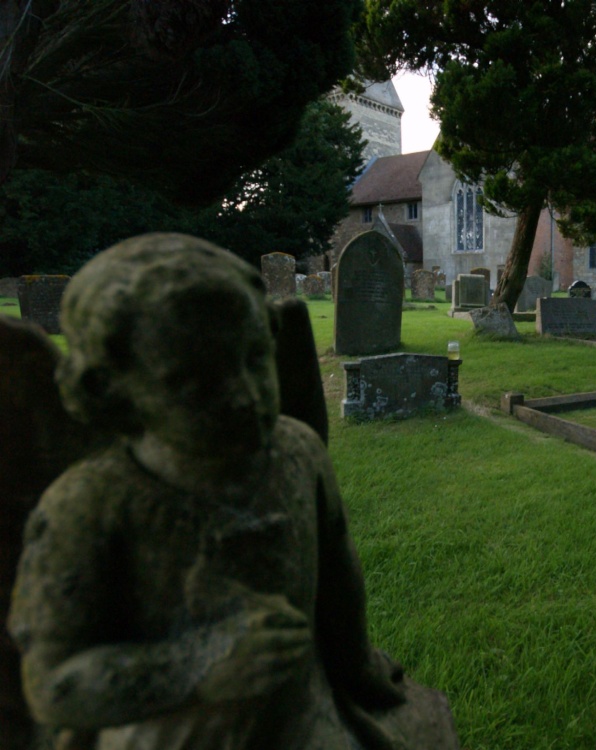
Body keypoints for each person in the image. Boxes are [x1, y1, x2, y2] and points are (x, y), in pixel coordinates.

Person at [8, 234, 408, 750]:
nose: (244, 396)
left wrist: (355, 666)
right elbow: (54, 686)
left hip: (299, 718)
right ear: (110, 389)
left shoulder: (299, 453)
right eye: (196, 383)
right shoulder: (90, 506)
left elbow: (335, 568)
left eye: (255, 358)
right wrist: (200, 662)